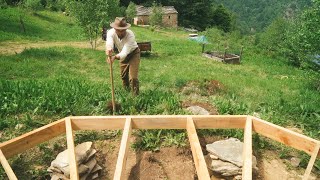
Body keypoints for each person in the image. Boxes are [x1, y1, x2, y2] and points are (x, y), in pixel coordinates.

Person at [106, 17, 140, 96]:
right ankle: (126, 92)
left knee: (133, 77)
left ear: (126, 28)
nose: (121, 32)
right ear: (114, 28)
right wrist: (109, 50)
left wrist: (114, 57)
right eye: (118, 30)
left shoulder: (130, 35)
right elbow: (109, 43)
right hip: (121, 53)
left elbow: (125, 52)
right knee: (124, 76)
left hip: (133, 53)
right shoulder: (110, 33)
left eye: (123, 30)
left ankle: (135, 96)